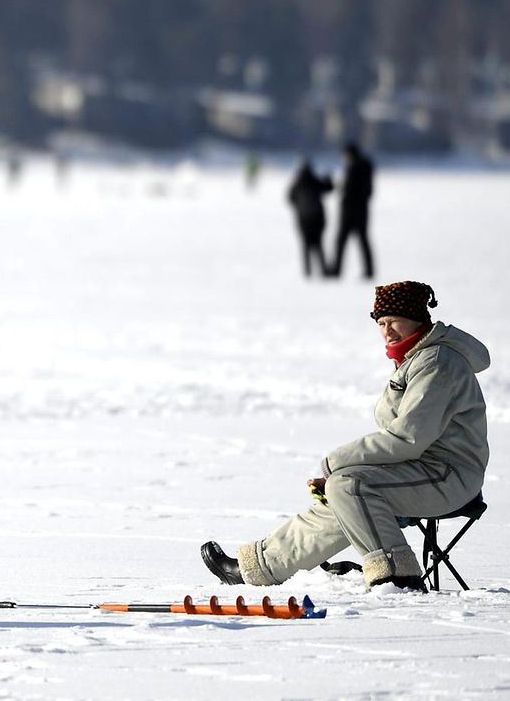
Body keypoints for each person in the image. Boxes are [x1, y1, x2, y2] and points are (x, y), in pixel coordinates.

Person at [200, 281, 489, 592]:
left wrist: (335, 462)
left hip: (449, 477)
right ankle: (259, 568)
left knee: (349, 485)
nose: (387, 331)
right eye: (381, 323)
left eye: (394, 321)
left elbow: (408, 437)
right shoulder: (416, 359)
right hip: (422, 471)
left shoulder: (436, 362)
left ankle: (397, 576)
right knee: (346, 488)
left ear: (418, 319)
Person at [330, 142, 375, 279]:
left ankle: (336, 270)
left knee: (342, 241)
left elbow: (350, 190)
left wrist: (342, 189)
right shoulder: (364, 168)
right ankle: (369, 270)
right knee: (362, 240)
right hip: (362, 211)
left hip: (350, 212)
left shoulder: (354, 168)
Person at [286, 157, 334, 278]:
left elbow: (290, 198)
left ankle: (307, 271)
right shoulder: (314, 180)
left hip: (303, 219)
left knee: (306, 246)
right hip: (317, 218)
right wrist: (329, 179)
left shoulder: (297, 183)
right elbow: (328, 188)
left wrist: (300, 207)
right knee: (318, 245)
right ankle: (323, 270)